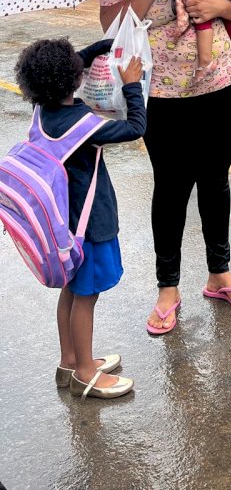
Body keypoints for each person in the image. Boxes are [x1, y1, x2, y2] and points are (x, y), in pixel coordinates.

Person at [99, 0, 231, 336]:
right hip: (160, 93)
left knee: (215, 178)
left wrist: (217, 5)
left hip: (221, 82)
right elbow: (111, 24)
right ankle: (167, 287)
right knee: (170, 186)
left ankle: (219, 273)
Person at [14, 37, 145, 401]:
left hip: (61, 225)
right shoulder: (86, 125)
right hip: (90, 224)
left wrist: (103, 45)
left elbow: (66, 69)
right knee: (86, 296)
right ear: (76, 79)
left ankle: (69, 361)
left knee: (72, 291)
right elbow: (136, 126)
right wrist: (132, 84)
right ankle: (86, 374)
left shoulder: (43, 112)